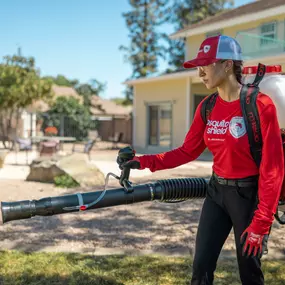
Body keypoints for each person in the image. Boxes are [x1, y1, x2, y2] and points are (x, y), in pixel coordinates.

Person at [117, 35, 284, 285]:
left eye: (205, 64)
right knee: (201, 268)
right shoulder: (207, 106)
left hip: (248, 199)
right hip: (216, 193)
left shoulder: (260, 105)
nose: (200, 72)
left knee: (249, 272)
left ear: (228, 65)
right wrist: (142, 162)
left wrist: (261, 223)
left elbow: (273, 169)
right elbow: (186, 151)